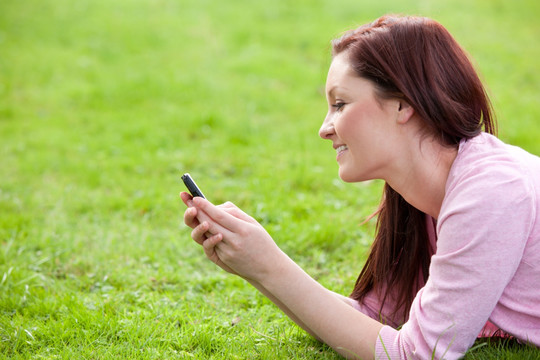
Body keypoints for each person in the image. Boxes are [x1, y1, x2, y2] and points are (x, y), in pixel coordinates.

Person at [180, 15, 540, 359]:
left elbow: (417, 354)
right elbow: (376, 320)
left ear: (402, 104)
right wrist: (255, 264)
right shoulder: (424, 196)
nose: (324, 128)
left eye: (340, 104)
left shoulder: (491, 193)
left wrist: (269, 265)